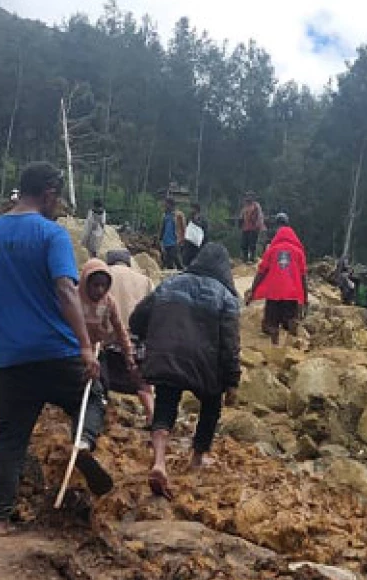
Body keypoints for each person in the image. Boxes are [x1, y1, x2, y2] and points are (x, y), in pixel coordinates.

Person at [0, 162, 112, 533]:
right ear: (48, 193)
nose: (58, 204)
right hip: (58, 352)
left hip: (13, 359)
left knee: (11, 439)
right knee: (92, 397)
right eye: (58, 197)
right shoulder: (52, 235)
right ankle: (82, 442)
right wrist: (83, 345)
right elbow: (66, 290)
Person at [130, 243, 240, 499]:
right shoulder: (226, 296)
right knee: (211, 406)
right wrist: (232, 381)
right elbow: (230, 343)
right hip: (206, 364)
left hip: (167, 355)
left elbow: (137, 318)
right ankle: (197, 458)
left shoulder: (170, 284)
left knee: (166, 404)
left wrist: (150, 339)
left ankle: (159, 461)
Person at [104, 250, 155, 423]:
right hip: (136, 342)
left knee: (99, 381)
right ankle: (152, 417)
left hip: (109, 340)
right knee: (143, 386)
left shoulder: (104, 276)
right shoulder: (144, 280)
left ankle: (100, 416)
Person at [246, 215, 308, 345]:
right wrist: (305, 299)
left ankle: (274, 348)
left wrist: (253, 290)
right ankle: (291, 349)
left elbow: (261, 272)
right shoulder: (298, 252)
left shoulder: (272, 250)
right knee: (291, 321)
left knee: (271, 324)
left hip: (274, 293)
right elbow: (303, 276)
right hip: (292, 294)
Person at [158, 197, 186, 270]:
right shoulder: (165, 215)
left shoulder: (179, 215)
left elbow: (183, 227)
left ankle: (182, 272)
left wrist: (182, 239)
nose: (165, 206)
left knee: (176, 259)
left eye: (166, 204)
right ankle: (170, 274)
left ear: (171, 205)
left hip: (174, 241)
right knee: (167, 261)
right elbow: (162, 228)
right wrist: (160, 238)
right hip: (166, 241)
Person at [239, 192, 265, 263]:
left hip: (253, 228)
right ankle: (245, 258)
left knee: (252, 244)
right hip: (245, 228)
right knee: (244, 243)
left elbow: (260, 216)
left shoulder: (256, 206)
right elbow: (242, 215)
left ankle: (252, 258)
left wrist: (258, 225)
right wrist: (240, 222)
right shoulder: (245, 206)